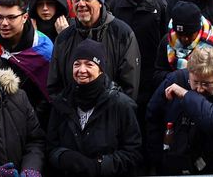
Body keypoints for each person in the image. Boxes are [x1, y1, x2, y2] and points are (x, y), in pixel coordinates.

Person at [45, 39, 143, 177]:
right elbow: (50, 147)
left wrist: (99, 166)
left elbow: (133, 153)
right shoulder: (62, 102)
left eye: (89, 64)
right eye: (77, 64)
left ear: (101, 70)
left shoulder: (121, 105)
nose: (81, 70)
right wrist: (63, 157)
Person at [145, 43, 213, 174]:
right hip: (176, 162)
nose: (200, 89)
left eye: (207, 84)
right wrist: (158, 157)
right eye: (195, 82)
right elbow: (153, 114)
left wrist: (186, 95)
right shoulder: (176, 79)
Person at [49, 0, 142, 102]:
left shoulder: (122, 34)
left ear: (100, 2)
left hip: (110, 116)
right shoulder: (64, 38)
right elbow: (55, 85)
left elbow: (129, 87)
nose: (81, 4)